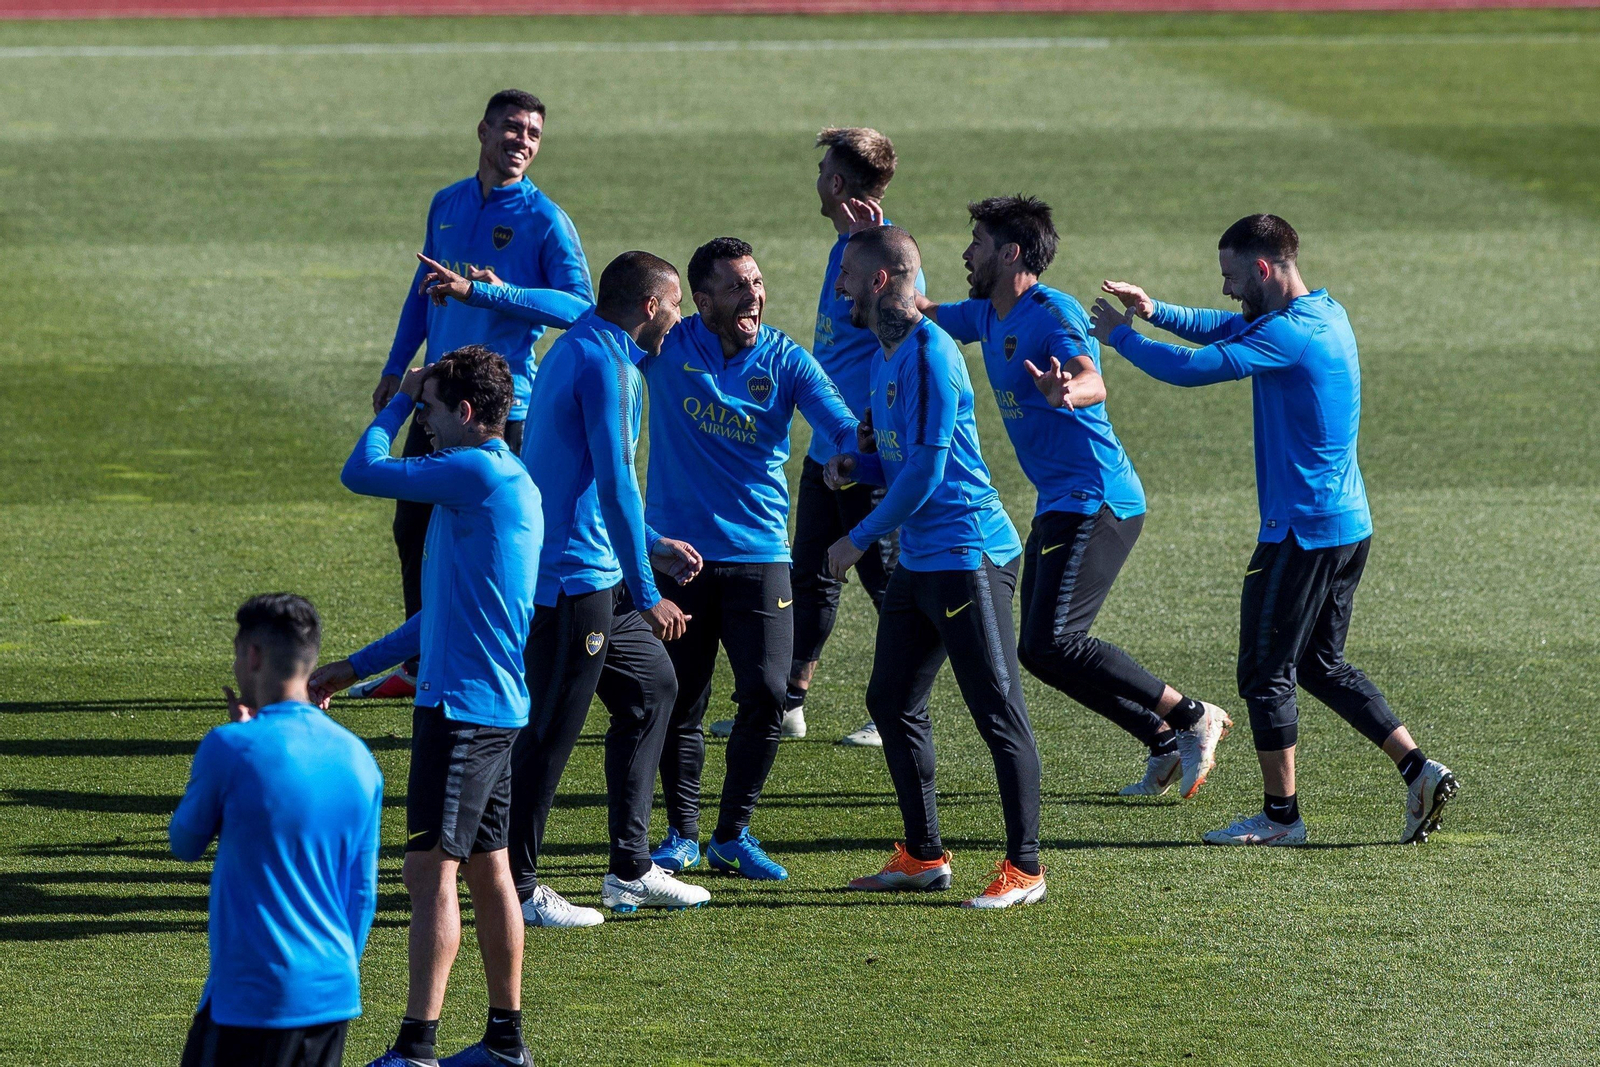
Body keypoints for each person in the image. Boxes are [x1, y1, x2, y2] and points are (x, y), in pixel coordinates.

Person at [1090, 213, 1459, 846]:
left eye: (1232, 276)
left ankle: (1281, 818)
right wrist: (1154, 311)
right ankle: (1419, 769)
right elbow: (1227, 326)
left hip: (1301, 533)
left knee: (1265, 673)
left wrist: (1119, 339)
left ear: (1263, 268)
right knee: (1319, 662)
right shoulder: (1324, 313)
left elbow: (1193, 369)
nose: (1227, 290)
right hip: (1347, 525)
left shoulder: (1288, 335)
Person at [916, 195, 1233, 799]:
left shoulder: (1049, 312)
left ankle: (1192, 717)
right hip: (1061, 501)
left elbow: (1094, 377)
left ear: (1010, 253)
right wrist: (881, 265)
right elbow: (930, 311)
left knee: (1055, 640)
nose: (965, 253)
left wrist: (1070, 392)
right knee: (1041, 650)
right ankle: (1162, 740)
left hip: (1098, 498)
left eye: (976, 243)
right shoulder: (988, 313)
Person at [310, 346, 540, 1066]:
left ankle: (417, 1047)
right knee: (487, 868)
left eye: (435, 412)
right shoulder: (497, 480)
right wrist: (353, 666)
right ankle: (505, 1040)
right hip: (490, 706)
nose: (426, 426)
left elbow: (361, 471)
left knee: (429, 873)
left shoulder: (473, 470)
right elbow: (441, 610)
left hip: (463, 712)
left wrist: (399, 397)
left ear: (466, 413)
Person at [828, 225, 1046, 910]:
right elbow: (900, 457)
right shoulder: (884, 355)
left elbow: (926, 470)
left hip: (966, 553)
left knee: (997, 711)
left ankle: (1027, 867)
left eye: (846, 279)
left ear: (879, 281)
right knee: (890, 699)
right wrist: (856, 466)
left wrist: (855, 538)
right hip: (924, 559)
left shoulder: (930, 352)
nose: (839, 293)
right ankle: (923, 853)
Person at [354, 87, 593, 702]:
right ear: (483, 132)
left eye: (534, 134)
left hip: (497, 413)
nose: (522, 141)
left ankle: (502, 658)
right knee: (414, 532)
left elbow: (580, 307)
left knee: (492, 544)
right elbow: (423, 285)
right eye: (512, 128)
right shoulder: (448, 203)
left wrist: (493, 291)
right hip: (437, 400)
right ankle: (418, 662)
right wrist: (395, 362)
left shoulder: (545, 220)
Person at [643, 238, 859, 881]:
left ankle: (732, 833)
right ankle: (682, 835)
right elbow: (588, 321)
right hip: (677, 559)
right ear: (701, 300)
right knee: (680, 700)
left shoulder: (786, 359)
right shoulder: (667, 347)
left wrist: (849, 453)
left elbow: (841, 421)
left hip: (761, 556)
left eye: (757, 283)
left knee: (767, 694)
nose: (754, 296)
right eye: (737, 286)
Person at [510, 251, 711, 926]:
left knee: (652, 689)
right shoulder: (612, 365)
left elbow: (587, 481)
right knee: (546, 734)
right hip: (574, 582)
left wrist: (648, 542)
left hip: (596, 572)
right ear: (650, 306)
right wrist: (649, 587)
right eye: (676, 303)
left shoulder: (578, 345)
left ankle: (630, 868)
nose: (680, 315)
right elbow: (617, 480)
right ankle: (516, 886)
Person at [751, 127, 917, 749]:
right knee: (812, 574)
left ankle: (897, 706)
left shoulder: (886, 255)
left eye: (824, 168)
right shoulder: (842, 246)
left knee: (889, 581)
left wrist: (871, 437)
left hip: (865, 452)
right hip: (827, 445)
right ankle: (792, 701)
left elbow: (906, 342)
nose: (817, 177)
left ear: (838, 183)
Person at [171, 594, 383, 1067]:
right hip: (332, 995)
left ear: (253, 656)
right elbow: (363, 894)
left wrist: (232, 750)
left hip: (252, 998)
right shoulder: (358, 758)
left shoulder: (231, 747)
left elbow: (184, 842)